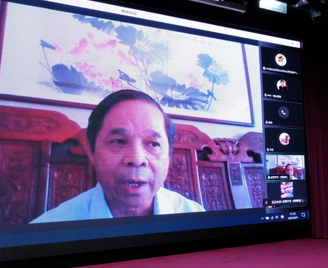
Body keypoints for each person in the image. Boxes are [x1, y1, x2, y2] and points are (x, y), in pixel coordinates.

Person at [31, 90, 205, 223]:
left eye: (153, 144)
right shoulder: (49, 231)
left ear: (169, 155)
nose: (136, 159)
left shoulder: (196, 219)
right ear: (91, 152)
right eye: (119, 141)